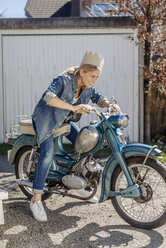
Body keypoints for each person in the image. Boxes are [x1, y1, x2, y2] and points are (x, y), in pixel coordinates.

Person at [30, 51, 120, 221]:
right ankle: (36, 200)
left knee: (85, 143)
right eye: (93, 76)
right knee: (48, 153)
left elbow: (98, 97)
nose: (95, 80)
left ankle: (77, 180)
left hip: (64, 120)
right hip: (46, 120)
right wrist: (74, 108)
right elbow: (48, 97)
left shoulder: (87, 86)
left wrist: (109, 104)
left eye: (97, 77)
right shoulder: (63, 80)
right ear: (82, 72)